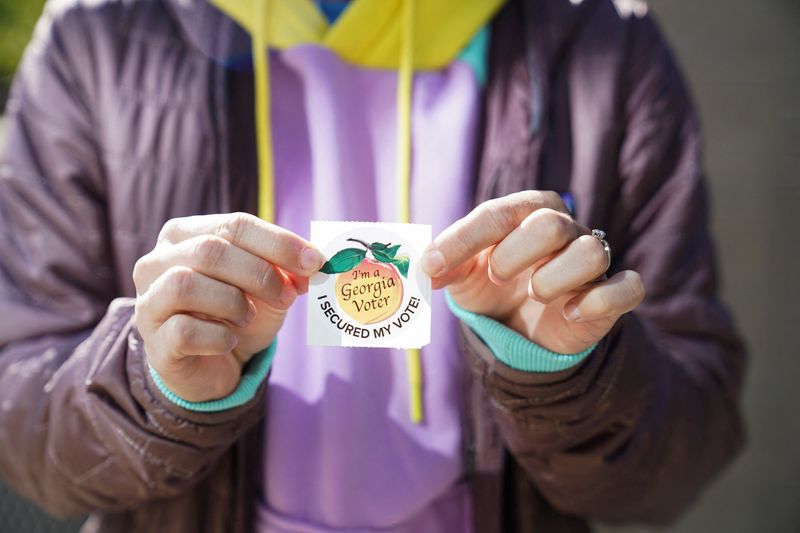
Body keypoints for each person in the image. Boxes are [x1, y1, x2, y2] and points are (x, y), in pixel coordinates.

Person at [0, 0, 746, 531]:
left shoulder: (605, 43)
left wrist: (565, 371)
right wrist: (151, 383)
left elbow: (685, 453)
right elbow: (18, 418)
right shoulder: (95, 37)